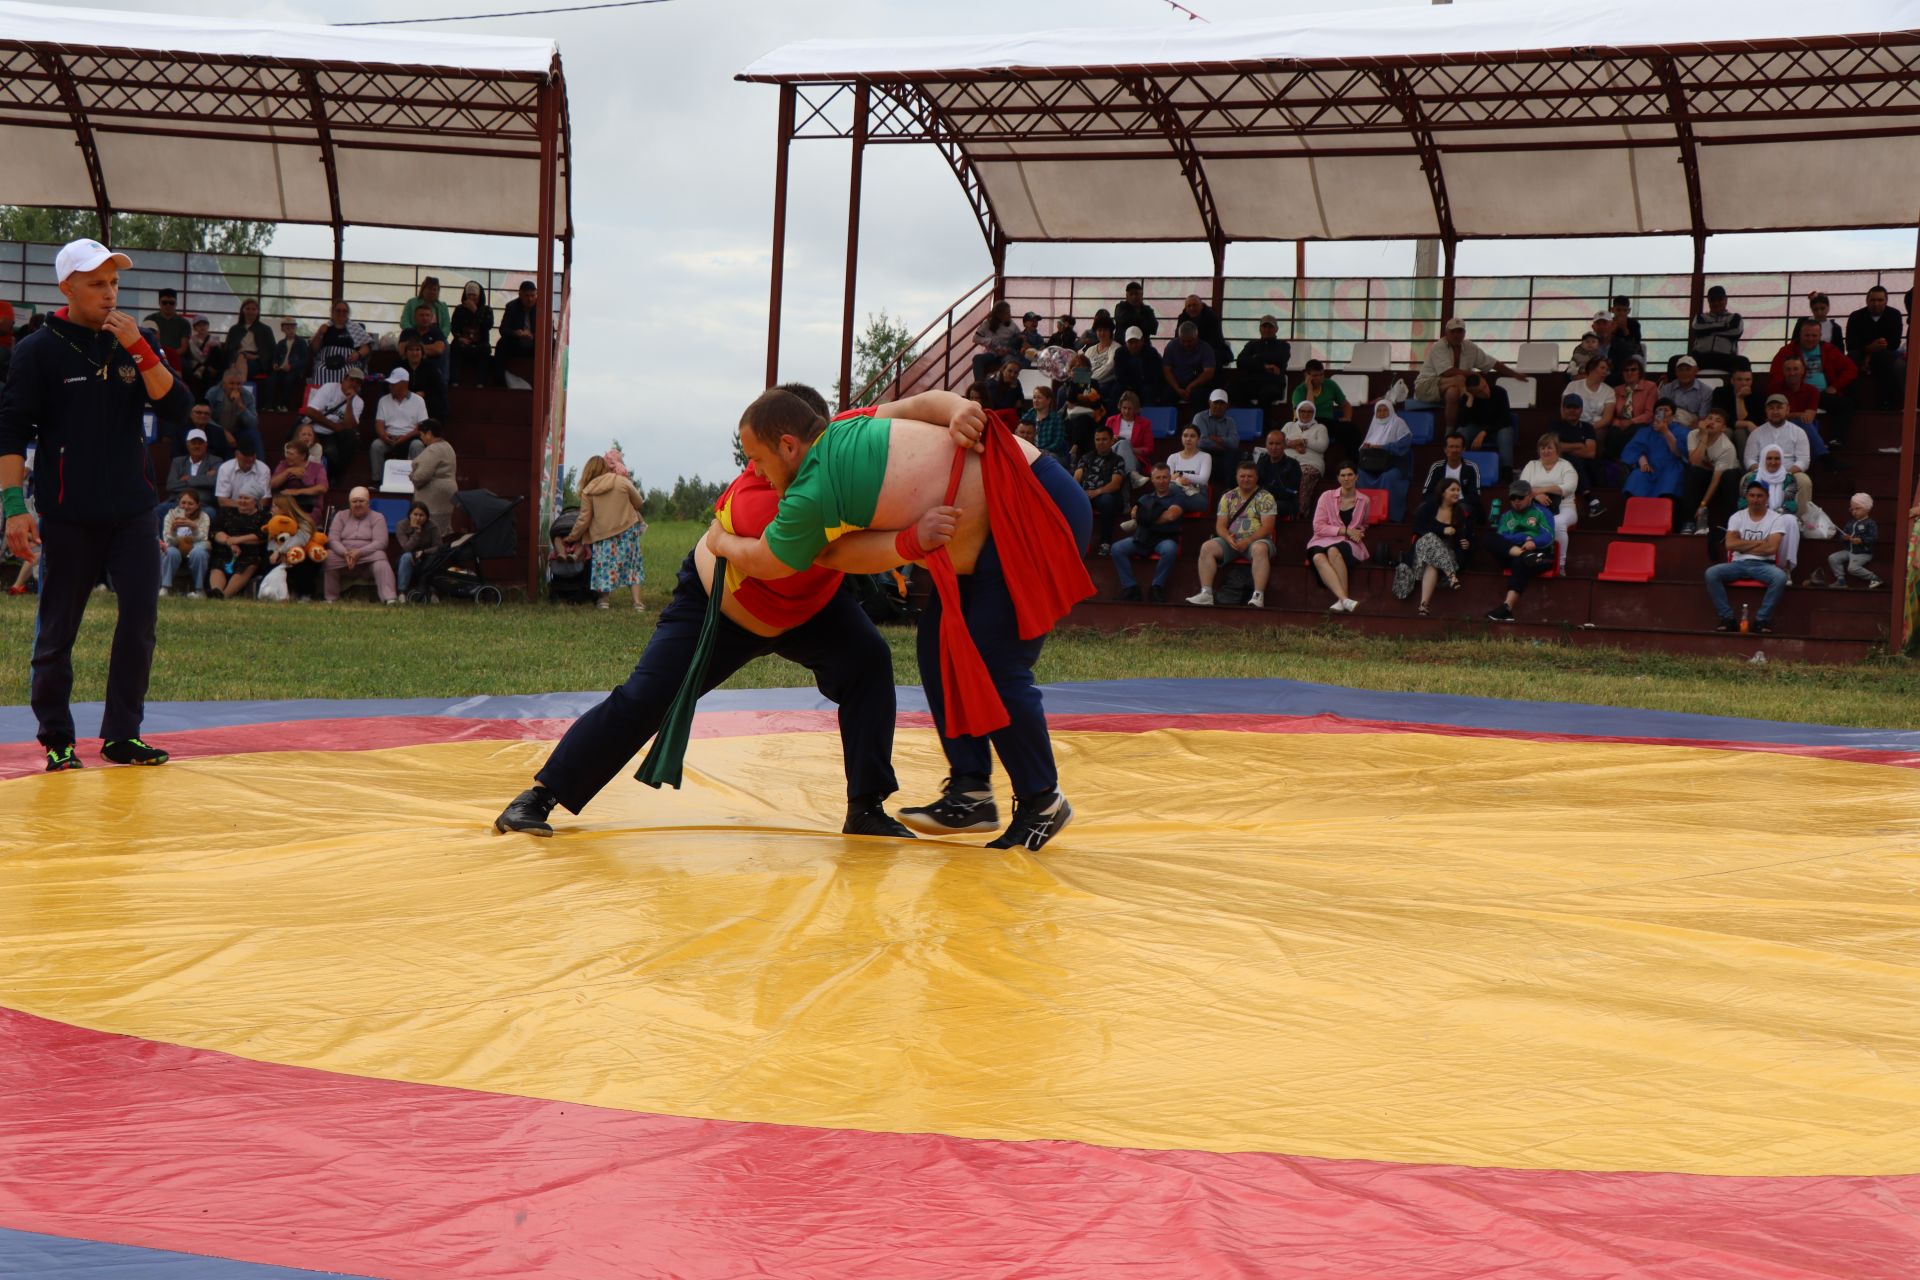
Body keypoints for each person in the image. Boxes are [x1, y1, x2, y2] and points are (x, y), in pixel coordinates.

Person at [495, 382, 913, 840]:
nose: (755, 467)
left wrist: (957, 416)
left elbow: (899, 413)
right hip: (720, 609)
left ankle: (866, 807)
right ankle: (539, 796)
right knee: (647, 697)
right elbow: (831, 552)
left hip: (806, 606)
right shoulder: (761, 495)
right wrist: (911, 540)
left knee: (869, 662)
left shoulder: (842, 461)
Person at [705, 387, 1094, 852]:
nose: (757, 474)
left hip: (1032, 504)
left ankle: (1041, 800)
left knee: (995, 663)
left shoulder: (811, 491)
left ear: (789, 445)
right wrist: (952, 412)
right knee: (939, 647)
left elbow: (772, 560)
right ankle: (971, 788)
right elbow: (831, 552)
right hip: (1000, 522)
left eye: (757, 460)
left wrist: (720, 541)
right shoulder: (842, 428)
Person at [1185, 460, 1278, 609]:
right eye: (1242, 476)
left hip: (1256, 540)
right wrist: (1227, 538)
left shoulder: (1266, 497)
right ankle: (1206, 593)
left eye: (1250, 476)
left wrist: (1248, 541)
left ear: (1256, 477)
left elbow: (1268, 527)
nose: (1246, 479)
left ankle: (1258, 595)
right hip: (1232, 540)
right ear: (1236, 477)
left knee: (1260, 549)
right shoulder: (1228, 496)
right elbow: (1220, 525)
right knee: (1207, 547)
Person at [1705, 481, 1792, 632]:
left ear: (1767, 497)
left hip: (1764, 565)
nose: (1755, 499)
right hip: (1738, 564)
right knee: (1711, 573)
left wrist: (1742, 545)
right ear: (1746, 497)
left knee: (1780, 577)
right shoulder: (1737, 517)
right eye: (1751, 495)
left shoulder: (1777, 519)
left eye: (1759, 496)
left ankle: (1762, 620)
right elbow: (1730, 545)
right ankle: (1727, 618)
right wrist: (1759, 542)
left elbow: (1771, 548)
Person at [1413, 318, 1528, 432]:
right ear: (1446, 333)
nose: (1456, 335)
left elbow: (1492, 363)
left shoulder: (1470, 347)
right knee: (1459, 379)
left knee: (1453, 391)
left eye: (1460, 331)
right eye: (1453, 332)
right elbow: (1447, 372)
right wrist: (1471, 373)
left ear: (1464, 333)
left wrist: (1514, 374)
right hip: (1425, 386)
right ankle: (1452, 430)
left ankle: (1450, 432)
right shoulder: (1439, 346)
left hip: (1453, 389)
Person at [568, 451, 646, 610]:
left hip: (602, 535)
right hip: (628, 530)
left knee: (604, 567)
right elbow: (639, 503)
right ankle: (637, 603)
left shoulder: (588, 490)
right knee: (633, 565)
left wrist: (572, 537)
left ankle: (604, 601)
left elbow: (584, 519)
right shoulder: (621, 481)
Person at [1770, 319, 1857, 451]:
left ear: (1820, 336)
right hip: (1796, 394)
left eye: (1814, 336)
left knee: (1846, 404)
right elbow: (1776, 376)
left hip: (1822, 394)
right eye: (1807, 335)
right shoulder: (1787, 351)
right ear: (1800, 335)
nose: (1810, 339)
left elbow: (1851, 369)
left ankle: (1836, 440)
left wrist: (1835, 387)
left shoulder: (1829, 349)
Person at [1395, 478, 1474, 615]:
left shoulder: (1460, 513)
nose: (1456, 493)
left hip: (1447, 555)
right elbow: (1418, 528)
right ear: (1443, 492)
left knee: (1432, 564)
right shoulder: (1428, 507)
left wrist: (1466, 543)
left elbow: (1465, 536)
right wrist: (1442, 530)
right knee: (1430, 538)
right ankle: (1451, 576)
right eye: (1453, 490)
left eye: (1458, 490)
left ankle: (1423, 606)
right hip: (1422, 552)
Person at [1109, 462, 1185, 603]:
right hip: (1143, 537)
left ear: (1170, 478)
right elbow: (1134, 515)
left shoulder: (1177, 497)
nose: (1161, 481)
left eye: (1164, 477)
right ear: (1152, 479)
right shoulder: (1145, 498)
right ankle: (1130, 588)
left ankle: (1157, 587)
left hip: (1165, 538)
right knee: (1117, 548)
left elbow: (1171, 516)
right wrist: (1146, 517)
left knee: (1170, 549)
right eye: (1158, 477)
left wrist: (1144, 518)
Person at [1485, 479, 1555, 622]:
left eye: (1520, 497)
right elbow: (1501, 536)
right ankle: (1524, 555)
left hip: (1542, 555)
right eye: (1513, 498)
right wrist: (1523, 538)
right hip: (1515, 553)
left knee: (1520, 562)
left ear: (1530, 496)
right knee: (1489, 538)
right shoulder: (1506, 516)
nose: (1516, 501)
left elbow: (1549, 537)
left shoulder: (1542, 513)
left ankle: (1506, 608)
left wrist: (1534, 542)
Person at [1307, 465, 1369, 613]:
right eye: (1342, 475)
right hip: (1322, 539)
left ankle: (1342, 600)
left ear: (1356, 477)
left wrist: (1360, 532)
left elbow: (1364, 523)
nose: (1346, 478)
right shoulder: (1326, 496)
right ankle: (1344, 599)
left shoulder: (1364, 500)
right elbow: (1318, 527)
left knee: (1334, 551)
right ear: (1338, 478)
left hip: (1348, 542)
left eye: (1350, 474)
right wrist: (1345, 530)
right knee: (1317, 557)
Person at [323, 486, 398, 604]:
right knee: (328, 556)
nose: (358, 504)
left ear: (368, 503)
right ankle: (331, 598)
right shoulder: (341, 515)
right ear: (350, 503)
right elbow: (333, 540)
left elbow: (381, 542)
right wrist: (345, 553)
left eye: (361, 501)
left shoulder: (377, 517)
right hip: (344, 556)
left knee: (380, 557)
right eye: (354, 501)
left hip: (367, 558)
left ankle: (389, 598)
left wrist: (360, 552)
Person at [1520, 429, 1580, 572]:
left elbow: (1570, 487)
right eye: (1543, 448)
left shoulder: (1566, 466)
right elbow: (1521, 487)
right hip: (1535, 507)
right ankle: (1532, 561)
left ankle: (1560, 565)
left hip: (1565, 507)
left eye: (1549, 447)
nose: (1546, 451)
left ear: (1557, 450)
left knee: (1557, 522)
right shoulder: (1531, 465)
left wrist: (1541, 489)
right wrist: (1535, 496)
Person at [1742, 445, 1808, 572]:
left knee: (1790, 521)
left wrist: (1776, 513)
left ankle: (1784, 567)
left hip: (1779, 514)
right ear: (1763, 459)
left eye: (1777, 458)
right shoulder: (1752, 478)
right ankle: (1754, 563)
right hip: (1756, 514)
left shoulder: (1788, 477)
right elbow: (1743, 502)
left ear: (1782, 460)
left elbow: (1791, 504)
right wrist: (1762, 512)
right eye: (1769, 458)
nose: (1773, 462)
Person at [1681, 409, 1741, 545]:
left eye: (1717, 421)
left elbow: (1716, 480)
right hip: (1704, 473)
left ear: (1723, 428)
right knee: (1692, 472)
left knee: (1729, 476)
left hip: (1724, 478)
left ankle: (1729, 525)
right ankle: (1689, 522)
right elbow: (1695, 462)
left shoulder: (1727, 447)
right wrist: (1704, 437)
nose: (1712, 422)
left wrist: (1703, 504)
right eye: (1709, 418)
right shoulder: (1693, 435)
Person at [298, 365, 364, 478]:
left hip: (331, 435)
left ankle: (336, 479)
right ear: (343, 379)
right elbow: (311, 411)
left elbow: (349, 426)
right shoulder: (330, 388)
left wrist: (349, 402)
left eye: (357, 382)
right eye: (351, 380)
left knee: (349, 439)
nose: (354, 384)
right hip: (314, 429)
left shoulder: (358, 402)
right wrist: (335, 426)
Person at [1355, 397, 1414, 521]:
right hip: (1373, 465)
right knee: (1360, 475)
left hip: (1394, 465)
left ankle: (1389, 516)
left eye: (1384, 410)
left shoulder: (1398, 423)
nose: (1381, 413)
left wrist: (1384, 447)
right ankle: (1364, 515)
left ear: (1391, 411)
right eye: (1379, 411)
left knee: (1388, 478)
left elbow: (1404, 445)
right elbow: (1363, 448)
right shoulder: (1374, 424)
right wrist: (1367, 448)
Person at [1846, 285, 1903, 407]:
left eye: (1880, 300)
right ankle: (1851, 401)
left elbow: (1894, 343)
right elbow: (1850, 344)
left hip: (1886, 352)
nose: (1876, 304)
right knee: (1851, 358)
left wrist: (1872, 353)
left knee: (1887, 359)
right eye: (1872, 300)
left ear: (1886, 301)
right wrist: (1868, 349)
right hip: (1860, 353)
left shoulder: (1894, 315)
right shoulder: (1856, 316)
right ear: (1867, 301)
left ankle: (1889, 402)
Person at [1075, 425, 1126, 555]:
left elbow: (1115, 484)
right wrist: (1080, 494)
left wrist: (1096, 492)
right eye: (1097, 439)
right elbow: (1076, 478)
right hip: (1085, 494)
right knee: (1070, 501)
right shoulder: (1086, 457)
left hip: (1105, 494)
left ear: (1111, 441)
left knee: (1108, 502)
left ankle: (1105, 542)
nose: (1100, 443)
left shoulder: (1117, 460)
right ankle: (1075, 542)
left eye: (1104, 439)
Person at [369, 367, 428, 478]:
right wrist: (383, 435)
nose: (390, 386)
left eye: (394, 383)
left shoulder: (418, 401)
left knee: (418, 445)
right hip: (389, 437)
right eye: (390, 383)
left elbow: (421, 427)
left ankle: (417, 480)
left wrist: (404, 437)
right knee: (376, 445)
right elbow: (379, 423)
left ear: (405, 383)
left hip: (410, 437)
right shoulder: (384, 400)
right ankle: (377, 480)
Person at [1813, 493, 1881, 590]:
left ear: (1867, 508)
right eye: (1852, 509)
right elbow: (1842, 536)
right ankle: (1841, 580)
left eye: (1857, 508)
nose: (1854, 512)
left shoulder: (1870, 523)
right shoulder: (1850, 523)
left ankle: (1875, 578)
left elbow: (1873, 538)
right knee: (1833, 558)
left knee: (1852, 568)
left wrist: (1861, 541)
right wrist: (1844, 538)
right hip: (1850, 550)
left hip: (1863, 553)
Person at [1620, 402, 1687, 500]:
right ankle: (1637, 510)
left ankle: (1665, 509)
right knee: (1637, 475)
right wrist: (1643, 462)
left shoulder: (1682, 430)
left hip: (1671, 467)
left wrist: (1665, 431)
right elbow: (1635, 449)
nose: (1662, 412)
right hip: (1650, 466)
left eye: (1666, 410)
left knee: (1670, 480)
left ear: (1673, 415)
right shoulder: (1645, 431)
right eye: (1659, 410)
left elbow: (1680, 453)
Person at [208, 490, 268, 599]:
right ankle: (216, 592)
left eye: (246, 498)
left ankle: (225, 596)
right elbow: (216, 532)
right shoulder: (227, 512)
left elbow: (262, 536)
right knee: (218, 562)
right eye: (240, 498)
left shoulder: (264, 516)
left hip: (250, 553)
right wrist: (229, 542)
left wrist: (238, 540)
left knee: (248, 563)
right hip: (226, 550)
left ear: (255, 501)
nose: (242, 501)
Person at [266, 494, 324, 602]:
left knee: (302, 564)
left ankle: (306, 594)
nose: (271, 509)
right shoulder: (273, 522)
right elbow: (272, 541)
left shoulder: (304, 523)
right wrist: (275, 553)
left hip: (304, 555)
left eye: (274, 506)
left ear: (284, 509)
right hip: (281, 555)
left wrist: (280, 552)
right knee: (267, 560)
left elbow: (299, 540)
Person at [157, 488, 210, 598]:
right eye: (183, 503)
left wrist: (194, 528)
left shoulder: (204, 516)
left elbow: (203, 538)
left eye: (190, 503)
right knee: (170, 552)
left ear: (197, 505)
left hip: (195, 547)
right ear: (179, 503)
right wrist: (173, 531)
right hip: (175, 546)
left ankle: (199, 590)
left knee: (199, 552)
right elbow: (167, 541)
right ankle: (165, 588)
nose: (186, 506)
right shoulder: (171, 515)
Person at [1290, 359, 1352, 452]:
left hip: (1328, 423)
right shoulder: (1299, 391)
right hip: (1307, 423)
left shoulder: (1330, 384)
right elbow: (1309, 411)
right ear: (1306, 376)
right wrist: (1309, 388)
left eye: (1321, 374)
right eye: (1315, 376)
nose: (1319, 378)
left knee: (1351, 429)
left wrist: (1347, 417)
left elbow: (1345, 405)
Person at [409, 419, 457, 536]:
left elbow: (421, 476)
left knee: (432, 534)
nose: (421, 438)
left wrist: (412, 475)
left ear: (429, 433)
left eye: (421, 434)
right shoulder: (447, 446)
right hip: (447, 495)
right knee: (442, 533)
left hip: (434, 499)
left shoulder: (433, 449)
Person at [1459, 371, 1513, 472]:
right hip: (1476, 427)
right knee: (1461, 432)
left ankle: (1506, 471)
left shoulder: (1499, 392)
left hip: (1497, 428)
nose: (1485, 392)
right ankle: (1457, 467)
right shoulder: (1467, 398)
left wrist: (1483, 433)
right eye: (1479, 392)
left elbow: (1505, 420)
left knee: (1505, 432)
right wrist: (1470, 401)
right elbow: (1462, 423)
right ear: (1472, 393)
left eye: (1485, 386)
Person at [403, 305, 450, 422]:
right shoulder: (407, 332)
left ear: (431, 318)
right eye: (421, 315)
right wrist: (429, 348)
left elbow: (439, 349)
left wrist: (415, 346)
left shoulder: (437, 332)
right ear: (415, 317)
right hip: (408, 372)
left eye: (427, 315)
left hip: (430, 372)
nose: (424, 318)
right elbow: (402, 350)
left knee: (438, 396)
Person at [1282, 397, 1330, 512]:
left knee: (1304, 473)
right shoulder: (1289, 426)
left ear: (1314, 413)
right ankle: (1280, 509)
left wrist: (1304, 441)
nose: (1306, 414)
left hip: (1311, 462)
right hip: (1287, 460)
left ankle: (1299, 510)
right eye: (1302, 411)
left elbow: (1322, 446)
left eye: (1309, 412)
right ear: (1297, 412)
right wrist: (1293, 443)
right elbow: (1278, 441)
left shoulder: (1320, 428)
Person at [1162, 321, 1216, 420]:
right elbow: (1166, 370)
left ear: (1197, 337)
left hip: (1197, 384)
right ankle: (1169, 427)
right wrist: (1177, 388)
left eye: (1190, 341)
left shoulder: (1206, 348)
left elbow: (1209, 372)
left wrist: (1191, 386)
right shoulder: (1171, 346)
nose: (1186, 344)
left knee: (1199, 397)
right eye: (1183, 341)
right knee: (1166, 396)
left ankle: (1196, 426)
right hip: (1176, 383)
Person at [205, 362, 261, 458]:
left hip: (237, 431)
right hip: (216, 430)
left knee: (253, 433)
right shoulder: (213, 393)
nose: (235, 387)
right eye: (231, 383)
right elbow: (206, 417)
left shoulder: (247, 396)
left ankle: (258, 466)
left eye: (239, 384)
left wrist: (241, 406)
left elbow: (253, 423)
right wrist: (223, 432)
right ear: (224, 384)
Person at [1237, 314, 1291, 410]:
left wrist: (1256, 357)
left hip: (1273, 384)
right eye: (1264, 326)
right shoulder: (1251, 344)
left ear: (1276, 329)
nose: (1267, 329)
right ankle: (1255, 413)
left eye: (1270, 327)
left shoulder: (1283, 346)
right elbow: (1241, 362)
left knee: (1266, 393)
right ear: (1260, 329)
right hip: (1252, 383)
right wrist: (1264, 366)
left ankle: (1260, 420)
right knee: (1231, 389)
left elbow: (1280, 358)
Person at [1709, 367, 1765, 459]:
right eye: (1739, 379)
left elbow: (1756, 420)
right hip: (1725, 428)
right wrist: (1747, 423)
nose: (1744, 383)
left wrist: (1740, 399)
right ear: (1732, 381)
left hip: (1749, 431)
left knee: (1740, 432)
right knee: (1726, 431)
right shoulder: (1720, 392)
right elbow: (1718, 418)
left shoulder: (1758, 395)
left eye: (1747, 380)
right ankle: (1722, 466)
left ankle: (1746, 468)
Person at [311, 301, 371, 386]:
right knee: (320, 370)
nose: (341, 313)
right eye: (338, 310)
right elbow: (314, 348)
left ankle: (346, 398)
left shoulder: (355, 328)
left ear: (348, 313)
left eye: (344, 311)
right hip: (326, 361)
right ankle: (323, 398)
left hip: (349, 362)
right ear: (332, 312)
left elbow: (366, 348)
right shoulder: (326, 327)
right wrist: (320, 333)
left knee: (348, 373)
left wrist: (358, 354)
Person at [448, 280, 495, 387]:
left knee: (485, 350)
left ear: (479, 296)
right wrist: (459, 338)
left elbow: (488, 326)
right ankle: (454, 382)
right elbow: (454, 327)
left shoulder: (487, 310)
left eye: (474, 295)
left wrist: (476, 311)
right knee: (455, 347)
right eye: (469, 295)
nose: (471, 297)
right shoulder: (459, 309)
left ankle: (481, 383)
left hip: (480, 343)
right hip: (463, 342)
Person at [1688, 284, 1745, 371]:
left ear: (1726, 300)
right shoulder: (1700, 317)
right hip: (1700, 357)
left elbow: (1736, 332)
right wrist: (1724, 326)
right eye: (1712, 300)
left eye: (1719, 300)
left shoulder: (1735, 317)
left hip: (1725, 357)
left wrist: (1708, 330)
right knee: (1674, 360)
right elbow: (1697, 329)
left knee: (1743, 362)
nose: (1716, 303)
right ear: (1708, 302)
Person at [164, 425, 221, 512]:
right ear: (187, 444)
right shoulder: (177, 461)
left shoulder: (215, 461)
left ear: (206, 445)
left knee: (210, 513)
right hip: (177, 503)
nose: (197, 446)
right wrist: (203, 479)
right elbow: (171, 485)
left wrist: (189, 479)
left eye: (200, 443)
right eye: (193, 443)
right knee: (158, 510)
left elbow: (214, 481)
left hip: (203, 504)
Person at [1420, 431, 1483, 509]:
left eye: (1457, 447)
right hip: (1440, 504)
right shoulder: (1436, 467)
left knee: (1464, 509)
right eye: (1451, 446)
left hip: (1463, 505)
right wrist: (1442, 502)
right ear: (1445, 450)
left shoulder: (1472, 467)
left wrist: (1454, 502)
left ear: (1463, 449)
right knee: (1422, 508)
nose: (1454, 450)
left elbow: (1475, 496)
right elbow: (1426, 492)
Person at [1104, 388, 1154, 484]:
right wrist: (1112, 441)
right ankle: (1133, 475)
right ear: (1120, 407)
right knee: (1122, 443)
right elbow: (1103, 442)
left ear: (1135, 409)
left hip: (1134, 458)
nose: (1126, 412)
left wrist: (1130, 448)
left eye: (1130, 408)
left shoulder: (1145, 423)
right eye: (1124, 408)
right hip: (1112, 456)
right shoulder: (1111, 420)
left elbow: (1149, 449)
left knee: (1124, 444)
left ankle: (1130, 474)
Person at [394, 500, 443, 598]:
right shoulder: (401, 525)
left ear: (426, 516)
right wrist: (417, 533)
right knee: (406, 556)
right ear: (410, 515)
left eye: (421, 515)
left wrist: (424, 552)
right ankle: (402, 592)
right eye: (415, 514)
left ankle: (432, 592)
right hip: (407, 557)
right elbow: (406, 548)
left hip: (426, 557)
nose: (418, 518)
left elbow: (439, 546)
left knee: (436, 557)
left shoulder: (432, 526)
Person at [270, 438, 327, 521]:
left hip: (308, 507)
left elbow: (322, 488)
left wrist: (297, 492)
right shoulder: (283, 464)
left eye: (291, 454)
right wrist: (288, 471)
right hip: (286, 507)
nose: (288, 457)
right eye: (287, 453)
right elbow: (272, 484)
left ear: (303, 456)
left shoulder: (317, 468)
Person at [1192, 388, 1239, 489]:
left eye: (1221, 403)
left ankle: (1229, 490)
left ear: (1227, 405)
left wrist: (1218, 439)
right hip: (1205, 453)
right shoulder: (1199, 417)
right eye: (1215, 403)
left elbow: (1235, 443)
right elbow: (1201, 442)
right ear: (1209, 403)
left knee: (1234, 456)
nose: (1218, 406)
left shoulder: (1230, 421)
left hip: (1224, 455)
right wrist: (1223, 445)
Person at [1113, 326, 1169, 406]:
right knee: (1116, 391)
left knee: (1149, 392)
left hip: (1146, 385)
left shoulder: (1151, 352)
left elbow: (1156, 375)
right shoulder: (1120, 353)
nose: (1134, 345)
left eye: (1136, 342)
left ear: (1142, 341)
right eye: (1130, 342)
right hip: (1127, 385)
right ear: (1126, 343)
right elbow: (1119, 375)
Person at [1255, 427, 1302, 520]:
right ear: (1266, 445)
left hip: (1285, 503)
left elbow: (1290, 492)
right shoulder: (1262, 461)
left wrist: (1267, 495)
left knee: (1268, 507)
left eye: (1277, 444)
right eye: (1271, 443)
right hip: (1262, 500)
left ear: (1284, 445)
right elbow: (1256, 484)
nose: (1274, 447)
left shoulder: (1293, 464)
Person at [970, 301, 1020, 384]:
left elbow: (1019, 338)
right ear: (998, 315)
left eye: (1009, 312)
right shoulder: (987, 324)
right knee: (977, 359)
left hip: (1006, 354)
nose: (1009, 315)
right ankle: (979, 386)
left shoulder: (1012, 325)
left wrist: (1009, 349)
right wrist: (990, 342)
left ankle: (1001, 384)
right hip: (992, 353)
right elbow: (975, 338)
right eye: (1006, 313)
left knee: (1010, 363)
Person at [1165, 424, 1212, 512]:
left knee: (1167, 496)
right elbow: (1167, 478)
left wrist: (1180, 475)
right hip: (1176, 494)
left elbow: (1203, 480)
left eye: (1192, 436)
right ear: (1181, 438)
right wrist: (1181, 481)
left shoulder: (1205, 457)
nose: (1188, 439)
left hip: (1197, 496)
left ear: (1198, 439)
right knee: (1172, 492)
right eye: (1185, 435)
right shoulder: (1173, 457)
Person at [1612, 355, 1657, 447]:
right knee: (1613, 433)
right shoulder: (1617, 390)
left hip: (1640, 423)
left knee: (1634, 432)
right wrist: (1618, 423)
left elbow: (1649, 414)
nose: (1629, 373)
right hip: (1621, 424)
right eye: (1626, 370)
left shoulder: (1650, 387)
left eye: (1633, 370)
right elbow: (1612, 414)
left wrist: (1631, 421)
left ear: (1640, 372)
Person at [224, 300, 273, 382]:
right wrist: (233, 361)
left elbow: (271, 351)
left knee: (236, 368)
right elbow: (228, 350)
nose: (251, 311)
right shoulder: (234, 329)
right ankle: (241, 389)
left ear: (258, 312)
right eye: (248, 308)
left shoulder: (265, 329)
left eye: (254, 309)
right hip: (236, 359)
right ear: (242, 310)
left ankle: (237, 390)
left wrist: (255, 356)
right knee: (240, 357)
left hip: (257, 361)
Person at [214, 439, 272, 509]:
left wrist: (249, 508)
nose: (250, 458)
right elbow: (222, 501)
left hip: (256, 510)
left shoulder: (264, 469)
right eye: (246, 455)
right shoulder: (225, 468)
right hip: (232, 509)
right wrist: (245, 506)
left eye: (252, 455)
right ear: (236, 454)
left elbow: (265, 500)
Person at [267, 317, 310, 412]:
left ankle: (282, 404)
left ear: (296, 328)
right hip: (281, 369)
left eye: (292, 327)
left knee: (288, 379)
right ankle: (269, 405)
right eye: (287, 327)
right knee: (271, 379)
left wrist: (292, 366)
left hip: (295, 370)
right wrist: (275, 364)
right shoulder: (281, 343)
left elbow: (304, 360)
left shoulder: (302, 342)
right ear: (283, 329)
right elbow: (275, 357)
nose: (290, 330)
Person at [1021, 383, 1069, 465]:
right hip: (1030, 452)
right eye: (1034, 397)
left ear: (1048, 400)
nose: (1035, 400)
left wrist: (1040, 451)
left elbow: (1057, 443)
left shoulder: (1056, 419)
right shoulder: (1027, 416)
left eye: (1039, 398)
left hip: (1050, 453)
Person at [1178, 293, 1233, 365]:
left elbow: (1216, 340)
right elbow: (1178, 337)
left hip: (1208, 348)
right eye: (1189, 306)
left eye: (1195, 305)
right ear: (1186, 308)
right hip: (1188, 348)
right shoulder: (1182, 317)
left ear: (1201, 305)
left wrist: (1198, 351)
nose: (1192, 308)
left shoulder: (1211, 317)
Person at [496, 280, 540, 364]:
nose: (530, 299)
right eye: (526, 296)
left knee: (552, 343)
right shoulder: (511, 307)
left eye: (533, 295)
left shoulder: (541, 307)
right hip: (516, 343)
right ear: (520, 295)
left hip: (535, 345)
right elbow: (503, 329)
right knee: (501, 344)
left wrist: (533, 336)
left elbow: (550, 332)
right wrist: (516, 333)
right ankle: (500, 375)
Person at [143, 286, 190, 364]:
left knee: (186, 367)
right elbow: (145, 341)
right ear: (159, 303)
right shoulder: (150, 320)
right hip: (154, 355)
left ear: (176, 304)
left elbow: (183, 348)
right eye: (164, 302)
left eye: (171, 303)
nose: (168, 305)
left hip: (176, 356)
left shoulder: (183, 323)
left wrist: (170, 355)